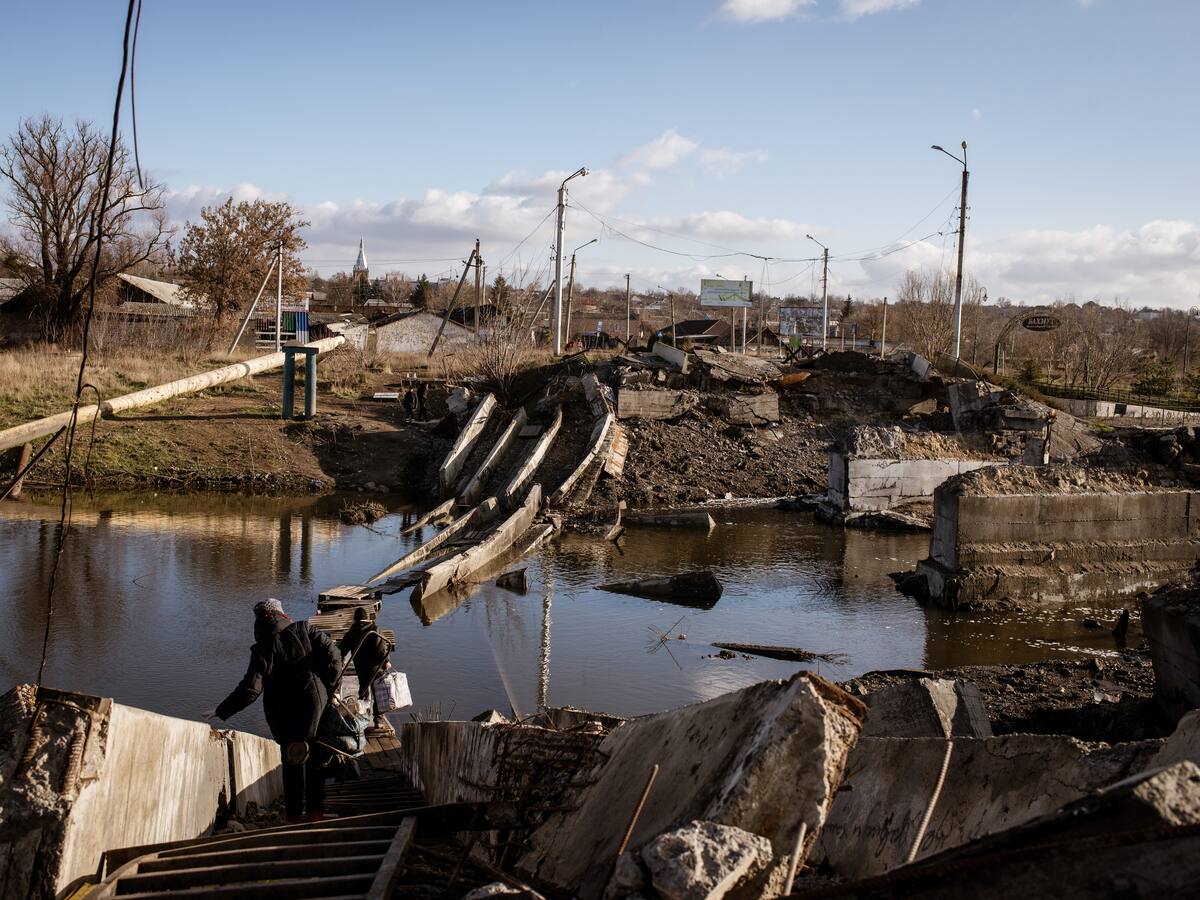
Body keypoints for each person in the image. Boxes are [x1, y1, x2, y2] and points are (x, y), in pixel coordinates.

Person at [212, 598, 340, 823]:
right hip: (314, 706)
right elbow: (334, 656)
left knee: (292, 760)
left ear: (259, 621)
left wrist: (222, 711)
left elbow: (251, 689)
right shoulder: (305, 630)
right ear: (282, 614)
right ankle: (315, 813)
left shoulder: (261, 649)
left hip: (282, 713)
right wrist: (331, 687)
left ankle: (293, 815)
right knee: (316, 757)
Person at [338, 607, 396, 729]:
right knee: (378, 693)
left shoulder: (351, 632)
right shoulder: (374, 629)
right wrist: (386, 661)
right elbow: (381, 649)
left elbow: (342, 649)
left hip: (360, 667)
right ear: (367, 618)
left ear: (355, 619)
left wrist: (341, 661)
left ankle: (361, 718)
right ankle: (378, 721)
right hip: (376, 668)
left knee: (363, 691)